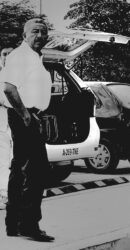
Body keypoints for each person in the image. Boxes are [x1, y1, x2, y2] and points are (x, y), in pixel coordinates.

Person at [0, 18, 54, 241]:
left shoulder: (33, 57)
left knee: (20, 169)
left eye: (43, 32)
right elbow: (9, 89)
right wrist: (26, 116)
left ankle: (13, 224)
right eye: (35, 32)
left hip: (30, 115)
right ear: (24, 34)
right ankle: (29, 226)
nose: (40, 36)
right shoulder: (21, 56)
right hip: (25, 116)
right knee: (36, 172)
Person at [0, 47, 13, 209]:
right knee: (3, 161)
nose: (6, 58)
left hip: (16, 125)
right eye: (4, 54)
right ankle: (5, 194)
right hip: (2, 124)